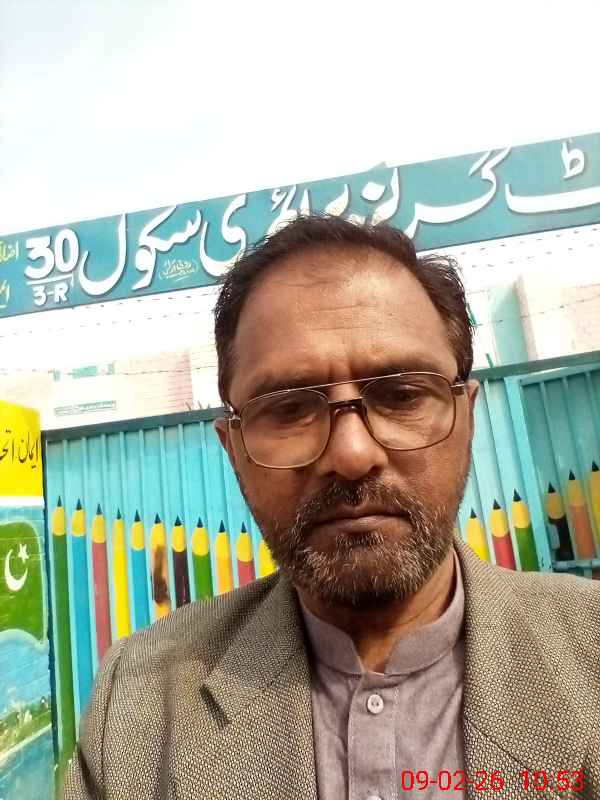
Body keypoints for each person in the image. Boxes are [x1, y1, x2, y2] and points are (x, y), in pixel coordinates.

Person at [64, 216, 600, 800]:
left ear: (467, 418)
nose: (351, 454)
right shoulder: (140, 700)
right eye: (289, 408)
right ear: (233, 450)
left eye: (400, 395)